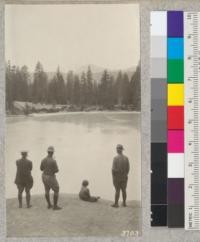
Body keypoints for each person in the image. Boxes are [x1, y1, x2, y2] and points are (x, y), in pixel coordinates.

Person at [40, 146, 62, 210]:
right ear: (52, 153)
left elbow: (41, 169)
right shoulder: (53, 161)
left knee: (47, 190)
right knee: (56, 189)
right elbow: (57, 170)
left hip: (44, 176)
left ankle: (49, 204)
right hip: (50, 177)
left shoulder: (43, 159)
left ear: (47, 152)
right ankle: (55, 206)